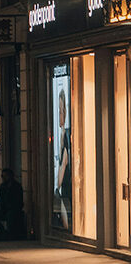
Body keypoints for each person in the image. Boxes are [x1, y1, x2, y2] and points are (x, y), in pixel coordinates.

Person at [56, 92, 72, 230]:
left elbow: (64, 162)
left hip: (66, 181)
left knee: (64, 208)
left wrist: (58, 185)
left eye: (62, 111)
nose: (60, 115)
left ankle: (67, 229)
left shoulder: (66, 134)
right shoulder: (62, 133)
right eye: (59, 111)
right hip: (65, 182)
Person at [0, 168, 25, 239]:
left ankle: (10, 233)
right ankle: (1, 230)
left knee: (10, 215)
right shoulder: (2, 186)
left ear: (10, 176)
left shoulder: (17, 186)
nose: (3, 178)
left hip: (13, 208)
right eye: (2, 176)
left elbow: (18, 200)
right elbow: (0, 198)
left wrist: (10, 206)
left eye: (5, 176)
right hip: (4, 208)